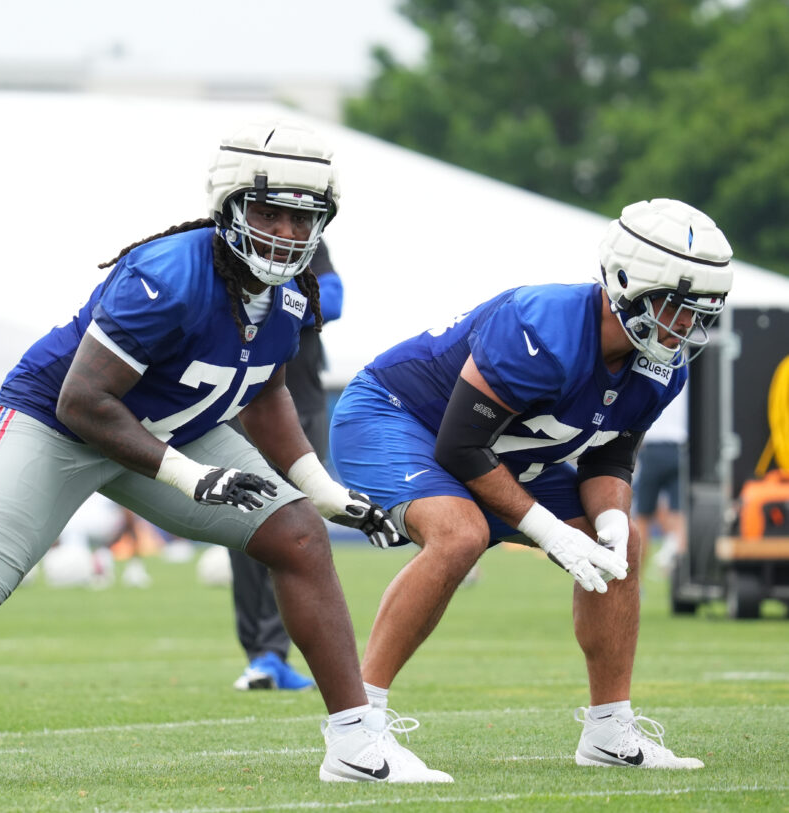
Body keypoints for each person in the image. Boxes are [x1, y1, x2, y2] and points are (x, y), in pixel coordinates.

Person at [0, 119, 454, 784]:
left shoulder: (293, 294)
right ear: (229, 206)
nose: (288, 232)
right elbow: (84, 400)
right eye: (270, 212)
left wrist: (324, 491)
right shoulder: (166, 274)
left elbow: (265, 393)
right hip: (61, 422)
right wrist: (192, 477)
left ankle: (355, 743)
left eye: (303, 218)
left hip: (172, 427)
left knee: (298, 533)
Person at [329, 198, 732, 775]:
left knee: (625, 546)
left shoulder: (661, 363)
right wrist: (546, 531)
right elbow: (459, 445)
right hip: (398, 417)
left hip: (500, 451)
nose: (687, 326)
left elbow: (611, 459)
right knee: (459, 533)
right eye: (677, 306)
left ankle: (609, 731)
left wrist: (611, 524)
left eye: (700, 312)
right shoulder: (544, 326)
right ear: (628, 282)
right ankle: (357, 729)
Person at [228, 239, 341, 692]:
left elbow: (332, 301)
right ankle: (260, 654)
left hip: (304, 404)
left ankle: (273, 653)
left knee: (297, 523)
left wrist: (271, 289)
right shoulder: (232, 243)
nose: (284, 227)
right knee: (239, 523)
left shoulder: (308, 242)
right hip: (242, 402)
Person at [632, 391, 687, 574]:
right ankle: (679, 577)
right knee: (679, 516)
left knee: (642, 519)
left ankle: (637, 582)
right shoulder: (686, 380)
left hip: (652, 451)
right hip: (679, 451)